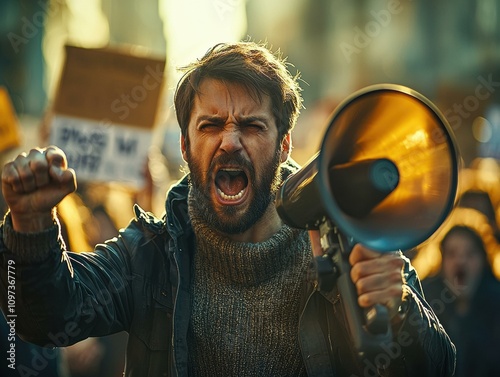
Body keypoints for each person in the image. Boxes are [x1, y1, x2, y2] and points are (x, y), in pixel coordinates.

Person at [0, 41, 455, 376]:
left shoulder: (350, 243)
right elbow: (46, 318)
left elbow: (437, 367)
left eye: (253, 126)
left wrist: (397, 309)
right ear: (185, 144)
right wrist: (33, 226)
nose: (230, 140)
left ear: (284, 145)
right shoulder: (150, 255)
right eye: (211, 124)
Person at [422, 221, 500, 377]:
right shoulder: (424, 304)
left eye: (470, 254)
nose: (460, 261)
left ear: (483, 260)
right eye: (452, 254)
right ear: (442, 262)